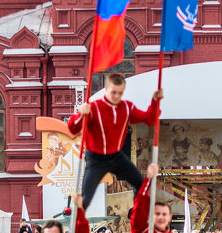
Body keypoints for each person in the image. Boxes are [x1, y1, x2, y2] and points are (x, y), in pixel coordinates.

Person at [67, 72, 163, 209]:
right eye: (114, 92)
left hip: (116, 157)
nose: (117, 96)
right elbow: (72, 129)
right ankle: (77, 225)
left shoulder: (126, 107)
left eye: (120, 93)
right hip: (96, 159)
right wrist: (81, 113)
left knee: (142, 184)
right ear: (106, 88)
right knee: (85, 199)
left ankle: (138, 216)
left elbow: (149, 119)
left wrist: (155, 102)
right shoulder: (93, 107)